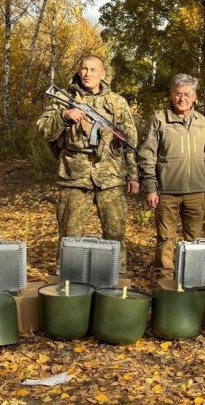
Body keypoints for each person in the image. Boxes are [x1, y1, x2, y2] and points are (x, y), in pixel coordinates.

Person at [37, 54, 139, 274]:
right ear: (78, 70)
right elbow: (43, 130)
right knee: (69, 233)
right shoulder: (63, 97)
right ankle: (67, 278)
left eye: (93, 70)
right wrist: (64, 115)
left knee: (115, 233)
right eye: (84, 69)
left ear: (103, 74)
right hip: (75, 175)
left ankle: (116, 276)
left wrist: (133, 175)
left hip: (110, 177)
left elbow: (129, 141)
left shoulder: (117, 102)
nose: (88, 74)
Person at [138, 74, 205, 278]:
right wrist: (151, 188)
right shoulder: (159, 120)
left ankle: (191, 276)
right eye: (178, 94)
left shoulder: (202, 122)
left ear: (194, 97)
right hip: (167, 192)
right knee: (165, 238)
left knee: (193, 239)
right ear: (171, 94)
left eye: (187, 94)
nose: (182, 98)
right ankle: (164, 278)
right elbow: (146, 155)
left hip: (196, 192)